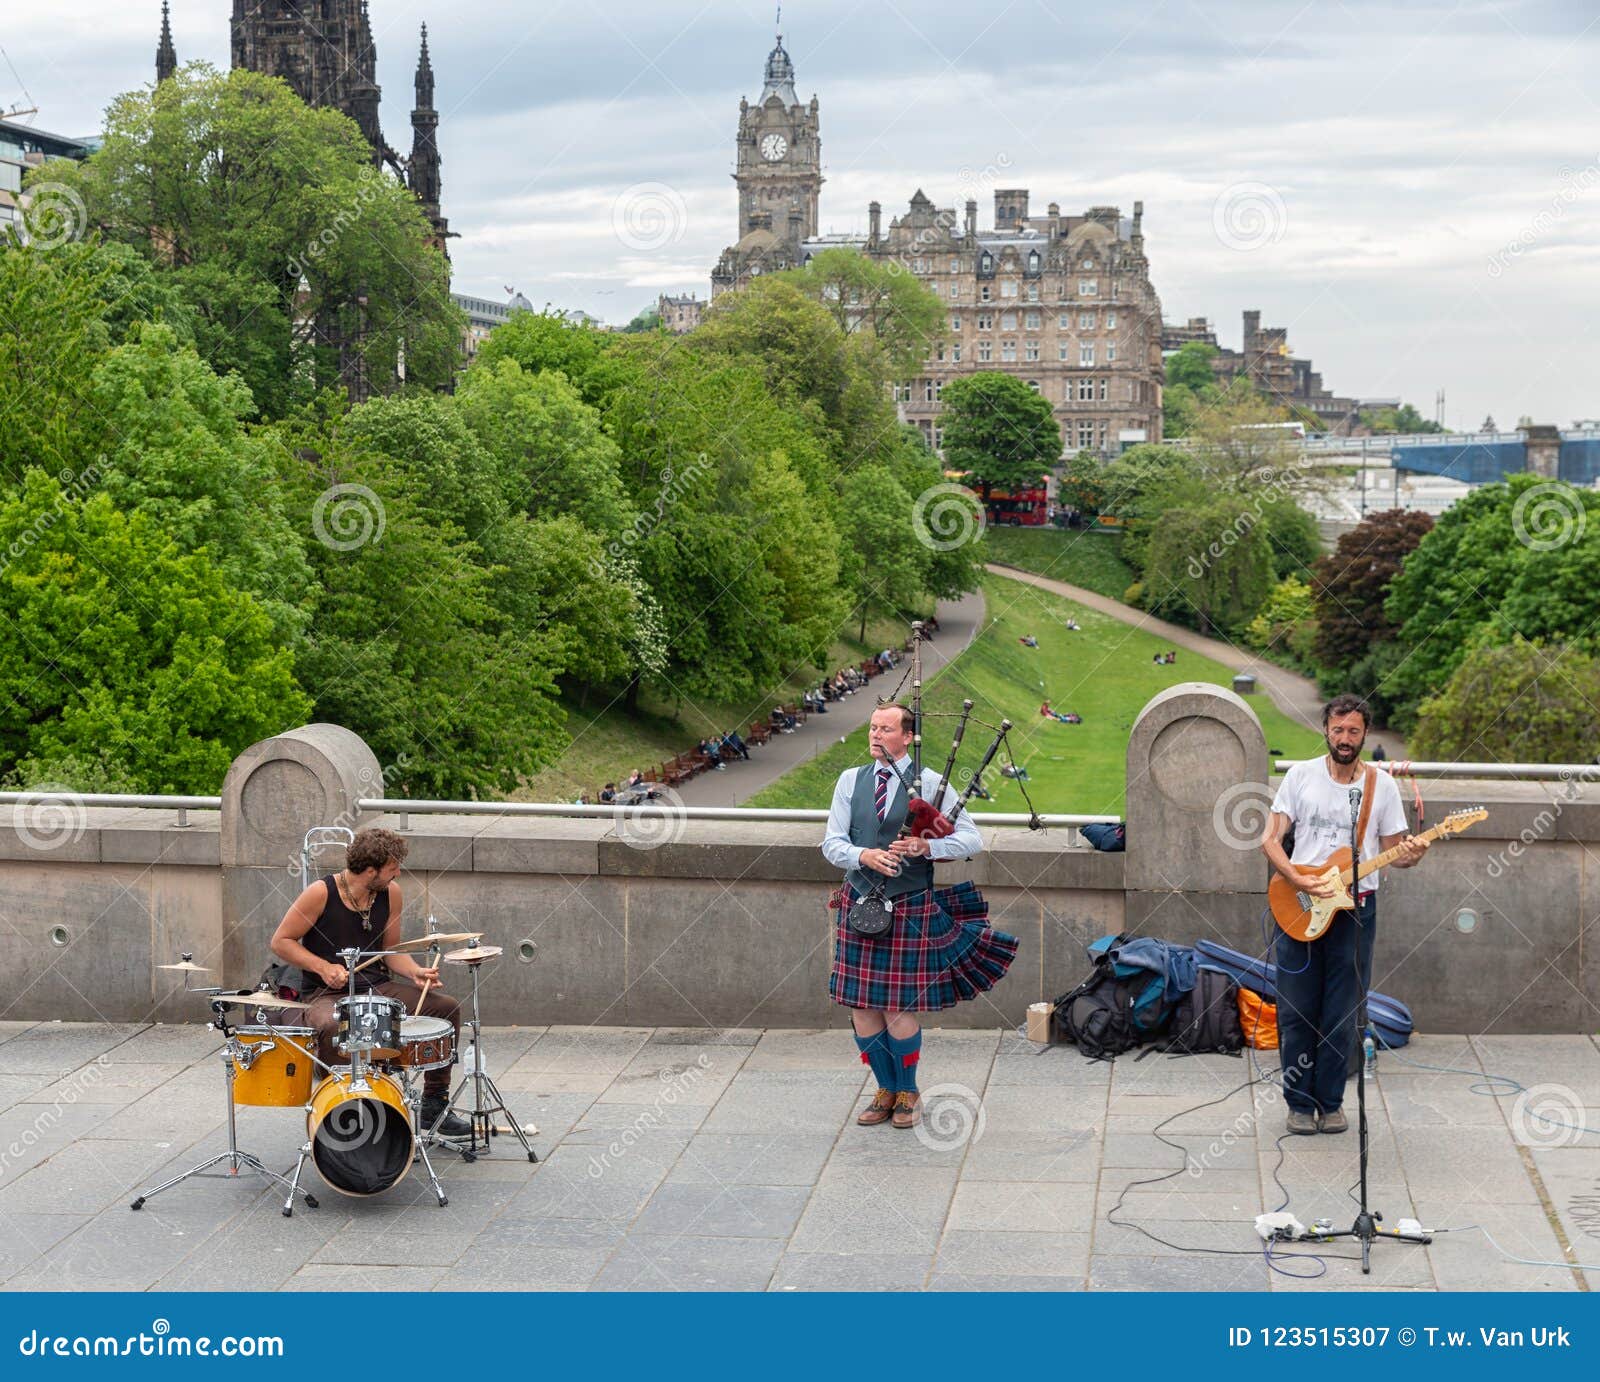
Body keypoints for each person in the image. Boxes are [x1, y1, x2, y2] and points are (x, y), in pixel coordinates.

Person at [821, 704, 1019, 1129]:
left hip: (909, 904)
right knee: (860, 1007)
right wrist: (863, 855)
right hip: (859, 902)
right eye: (872, 727)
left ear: (906, 737)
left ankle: (908, 1090)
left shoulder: (930, 783)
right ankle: (885, 1088)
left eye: (886, 729)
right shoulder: (849, 781)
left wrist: (926, 847)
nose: (875, 735)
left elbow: (971, 840)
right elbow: (832, 843)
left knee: (897, 1007)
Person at [1261, 695, 1430, 1135]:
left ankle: (1331, 1103)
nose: (1345, 739)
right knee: (1296, 1010)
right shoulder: (1300, 776)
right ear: (1326, 730)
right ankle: (1298, 1103)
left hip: (1357, 911)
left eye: (1353, 731)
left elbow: (1397, 853)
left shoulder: (1382, 786)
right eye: (1338, 730)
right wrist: (1296, 879)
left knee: (1342, 1013)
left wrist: (1414, 853)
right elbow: (1270, 839)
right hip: (1300, 903)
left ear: (1364, 734)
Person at [269, 827, 470, 1137]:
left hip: (376, 985)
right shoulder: (321, 893)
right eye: (392, 869)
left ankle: (434, 1103)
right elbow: (281, 941)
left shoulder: (391, 893)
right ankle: (339, 1109)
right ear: (371, 870)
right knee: (332, 1025)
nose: (398, 874)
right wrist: (323, 967)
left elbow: (389, 951)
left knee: (445, 1008)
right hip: (326, 992)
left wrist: (414, 971)